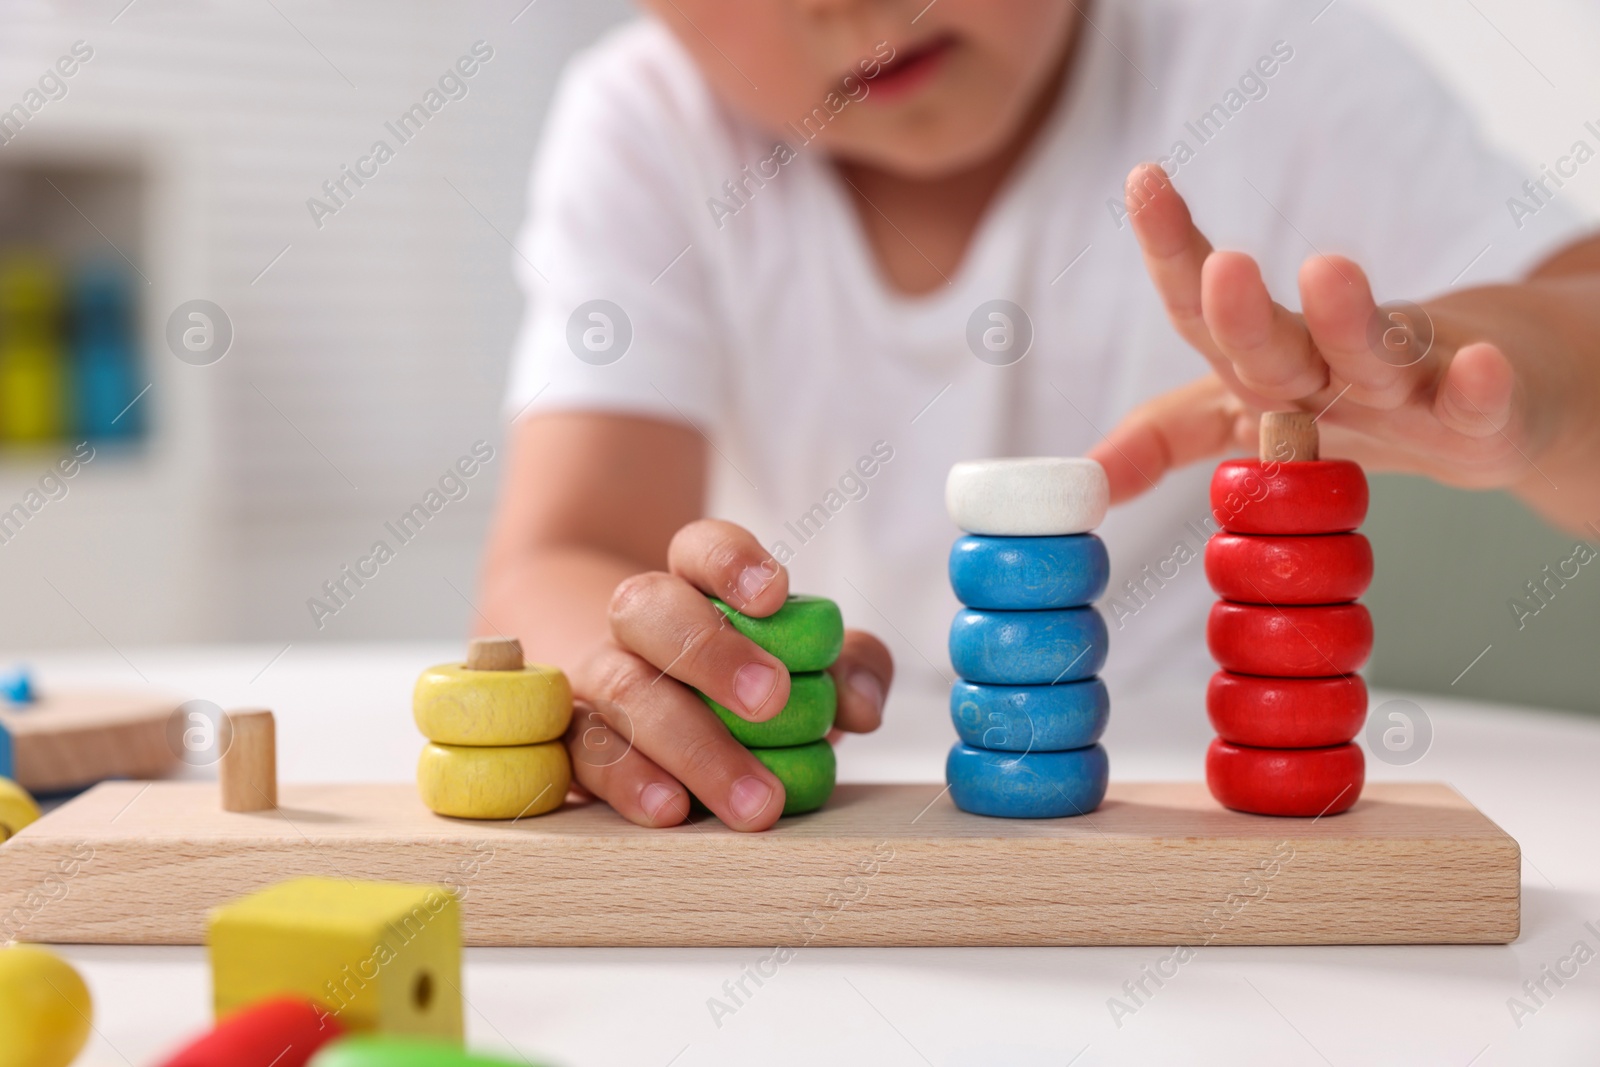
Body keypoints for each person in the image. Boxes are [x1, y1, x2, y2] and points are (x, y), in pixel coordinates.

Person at [481, 0, 1600, 831]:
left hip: (1206, 809)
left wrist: (1533, 395)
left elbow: (1574, 312)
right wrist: (637, 675)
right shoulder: (644, 128)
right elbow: (566, 551)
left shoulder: (1266, 54)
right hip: (835, 825)